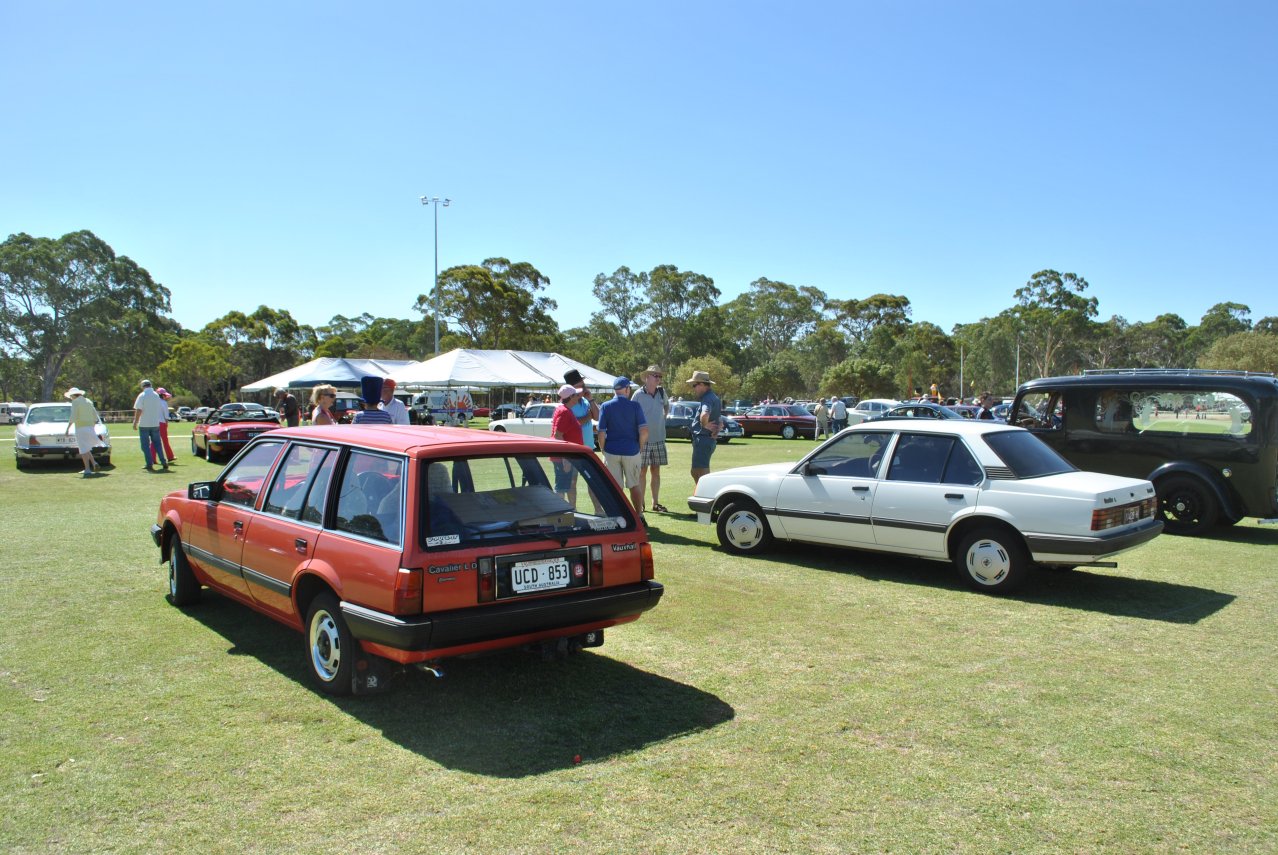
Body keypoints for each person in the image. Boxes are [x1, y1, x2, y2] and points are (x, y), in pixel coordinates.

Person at [597, 376, 649, 513]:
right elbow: (644, 431)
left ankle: (618, 515)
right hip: (632, 451)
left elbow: (601, 432)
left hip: (611, 451)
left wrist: (603, 449)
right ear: (626, 389)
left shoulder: (606, 406)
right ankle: (639, 515)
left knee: (615, 487)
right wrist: (640, 447)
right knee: (634, 485)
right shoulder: (635, 406)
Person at [632, 365, 671, 513]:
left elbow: (666, 405)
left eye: (660, 376)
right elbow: (632, 414)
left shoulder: (662, 392)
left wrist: (664, 416)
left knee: (656, 470)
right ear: (647, 377)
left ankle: (655, 503)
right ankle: (641, 503)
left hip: (659, 438)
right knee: (642, 471)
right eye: (656, 375)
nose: (658, 378)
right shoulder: (637, 394)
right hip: (643, 440)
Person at [686, 370, 722, 487]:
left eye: (694, 385)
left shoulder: (707, 398)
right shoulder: (714, 397)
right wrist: (718, 427)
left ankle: (705, 494)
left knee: (700, 473)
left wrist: (704, 425)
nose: (693, 388)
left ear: (702, 384)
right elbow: (719, 418)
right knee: (696, 471)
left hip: (703, 439)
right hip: (706, 439)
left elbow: (705, 414)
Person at [551, 383, 584, 505]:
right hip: (564, 458)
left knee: (564, 486)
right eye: (576, 395)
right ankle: (559, 514)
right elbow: (558, 435)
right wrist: (565, 460)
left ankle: (567, 512)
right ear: (570, 397)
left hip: (566, 457)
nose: (578, 396)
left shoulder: (565, 410)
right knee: (561, 487)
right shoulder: (564, 412)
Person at [63, 386, 102, 477]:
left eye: (71, 396)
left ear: (73, 395)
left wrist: (67, 429)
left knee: (83, 449)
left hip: (80, 427)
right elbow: (95, 415)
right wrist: (92, 426)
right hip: (90, 427)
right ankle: (94, 463)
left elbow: (73, 416)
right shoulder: (88, 401)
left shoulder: (75, 402)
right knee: (86, 447)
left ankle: (87, 469)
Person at [132, 379, 169, 471]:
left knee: (145, 446)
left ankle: (149, 463)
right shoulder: (156, 395)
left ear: (142, 386)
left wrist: (135, 422)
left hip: (144, 424)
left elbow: (139, 410)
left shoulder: (142, 395)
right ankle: (163, 461)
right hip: (155, 423)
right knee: (158, 444)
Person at [564, 369, 600, 452]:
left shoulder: (585, 400)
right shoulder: (568, 404)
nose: (583, 388)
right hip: (575, 449)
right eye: (579, 386)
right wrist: (589, 416)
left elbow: (597, 417)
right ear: (571, 388)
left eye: (583, 385)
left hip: (589, 447)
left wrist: (591, 399)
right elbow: (572, 424)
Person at [155, 388, 177, 462]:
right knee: (165, 440)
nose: (165, 396)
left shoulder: (154, 402)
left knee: (154, 441)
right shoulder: (163, 402)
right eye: (164, 395)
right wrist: (166, 422)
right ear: (162, 395)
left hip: (154, 423)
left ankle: (152, 458)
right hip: (162, 423)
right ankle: (170, 456)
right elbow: (166, 414)